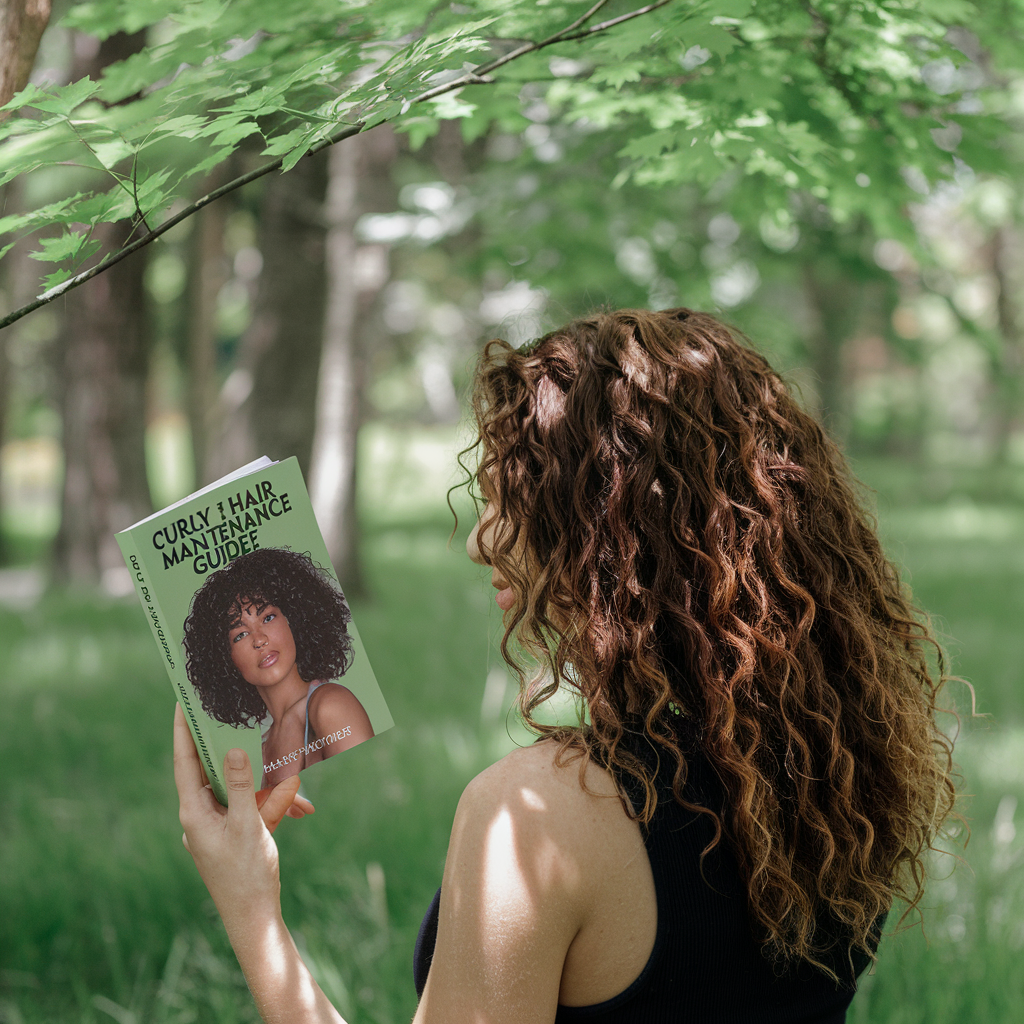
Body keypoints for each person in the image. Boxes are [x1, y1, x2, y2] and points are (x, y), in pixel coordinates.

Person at [174, 308, 957, 1023]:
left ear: (611, 529)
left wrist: (249, 906)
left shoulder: (538, 813)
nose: (481, 538)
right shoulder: (837, 773)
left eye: (513, 495)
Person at [182, 546, 373, 789]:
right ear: (224, 659)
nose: (259, 640)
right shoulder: (265, 746)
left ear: (294, 618)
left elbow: (371, 801)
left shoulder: (330, 707)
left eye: (268, 618)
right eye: (240, 635)